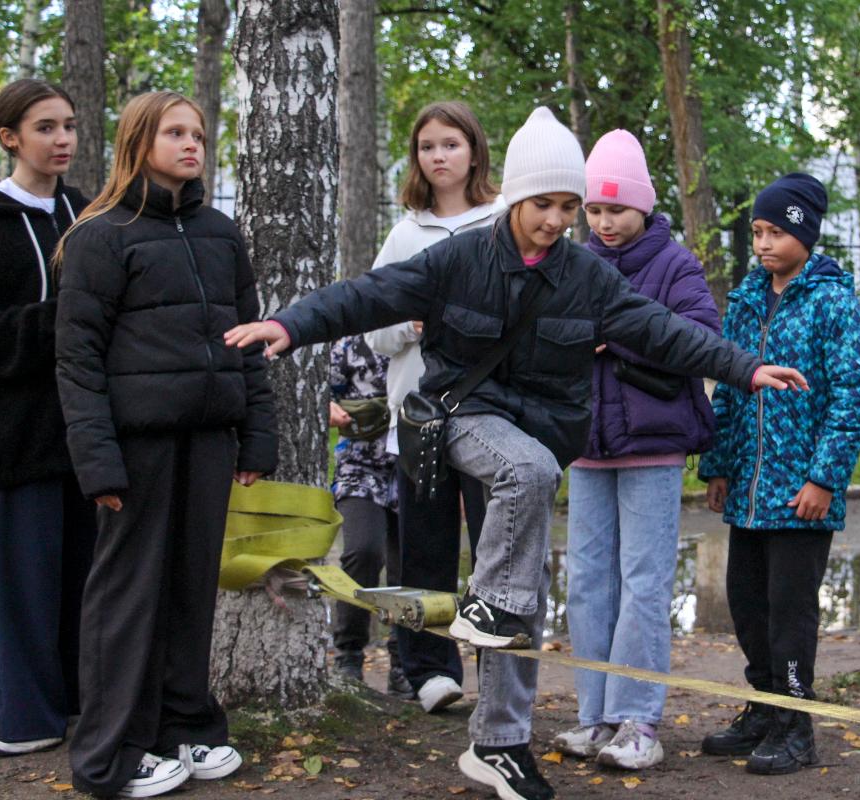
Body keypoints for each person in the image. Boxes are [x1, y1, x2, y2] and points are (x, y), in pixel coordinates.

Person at [225, 106, 806, 800]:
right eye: (544, 205)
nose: (558, 220)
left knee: (522, 600)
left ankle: (498, 744)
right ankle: (487, 607)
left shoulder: (586, 276)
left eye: (569, 206)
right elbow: (371, 295)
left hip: (542, 431)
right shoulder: (461, 256)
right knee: (523, 481)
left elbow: (660, 332)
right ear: (514, 198)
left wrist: (743, 368)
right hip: (459, 414)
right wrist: (291, 323)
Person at [55, 91, 277, 798]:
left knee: (191, 594)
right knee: (126, 600)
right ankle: (110, 756)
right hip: (134, 448)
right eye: (175, 132)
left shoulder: (220, 232)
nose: (192, 145)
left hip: (209, 439)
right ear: (138, 140)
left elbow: (249, 341)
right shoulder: (100, 236)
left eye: (200, 135)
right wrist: (97, 462)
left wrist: (256, 439)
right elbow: (78, 362)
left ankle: (186, 726)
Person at [698, 173, 860, 775]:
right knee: (747, 603)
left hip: (802, 494)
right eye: (757, 232)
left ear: (804, 232)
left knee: (789, 609)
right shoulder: (748, 298)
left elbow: (857, 390)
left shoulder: (832, 300)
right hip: (747, 490)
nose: (764, 243)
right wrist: (718, 465)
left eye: (776, 231)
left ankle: (796, 726)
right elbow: (729, 384)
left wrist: (824, 478)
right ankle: (763, 711)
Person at [552, 129, 719, 770]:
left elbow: (702, 336)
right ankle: (594, 717)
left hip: (653, 448)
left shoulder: (674, 263)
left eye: (615, 209)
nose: (603, 222)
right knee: (590, 584)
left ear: (644, 206)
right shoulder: (571, 262)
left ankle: (639, 722)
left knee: (644, 584)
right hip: (588, 447)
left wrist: (614, 337)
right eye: (593, 209)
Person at [364, 100, 505, 713]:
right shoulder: (405, 233)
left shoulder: (503, 222)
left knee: (496, 547)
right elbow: (373, 327)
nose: (439, 155)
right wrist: (410, 326)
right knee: (423, 547)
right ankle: (428, 672)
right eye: (428, 146)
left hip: (491, 414)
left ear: (473, 149)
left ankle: (499, 668)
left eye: (450, 143)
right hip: (419, 419)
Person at [0, 78, 95, 758]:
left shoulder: (86, 214)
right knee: (20, 576)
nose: (63, 140)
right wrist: (61, 323)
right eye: (47, 127)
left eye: (70, 126)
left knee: (84, 573)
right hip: (15, 431)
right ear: (8, 136)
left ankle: (78, 705)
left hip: (87, 430)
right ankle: (15, 718)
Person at [327, 336, 408, 694]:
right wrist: (327, 407)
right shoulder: (349, 345)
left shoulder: (428, 340)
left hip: (413, 468)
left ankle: (404, 663)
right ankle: (348, 654)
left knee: (408, 567)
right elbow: (317, 388)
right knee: (363, 551)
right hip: (359, 468)